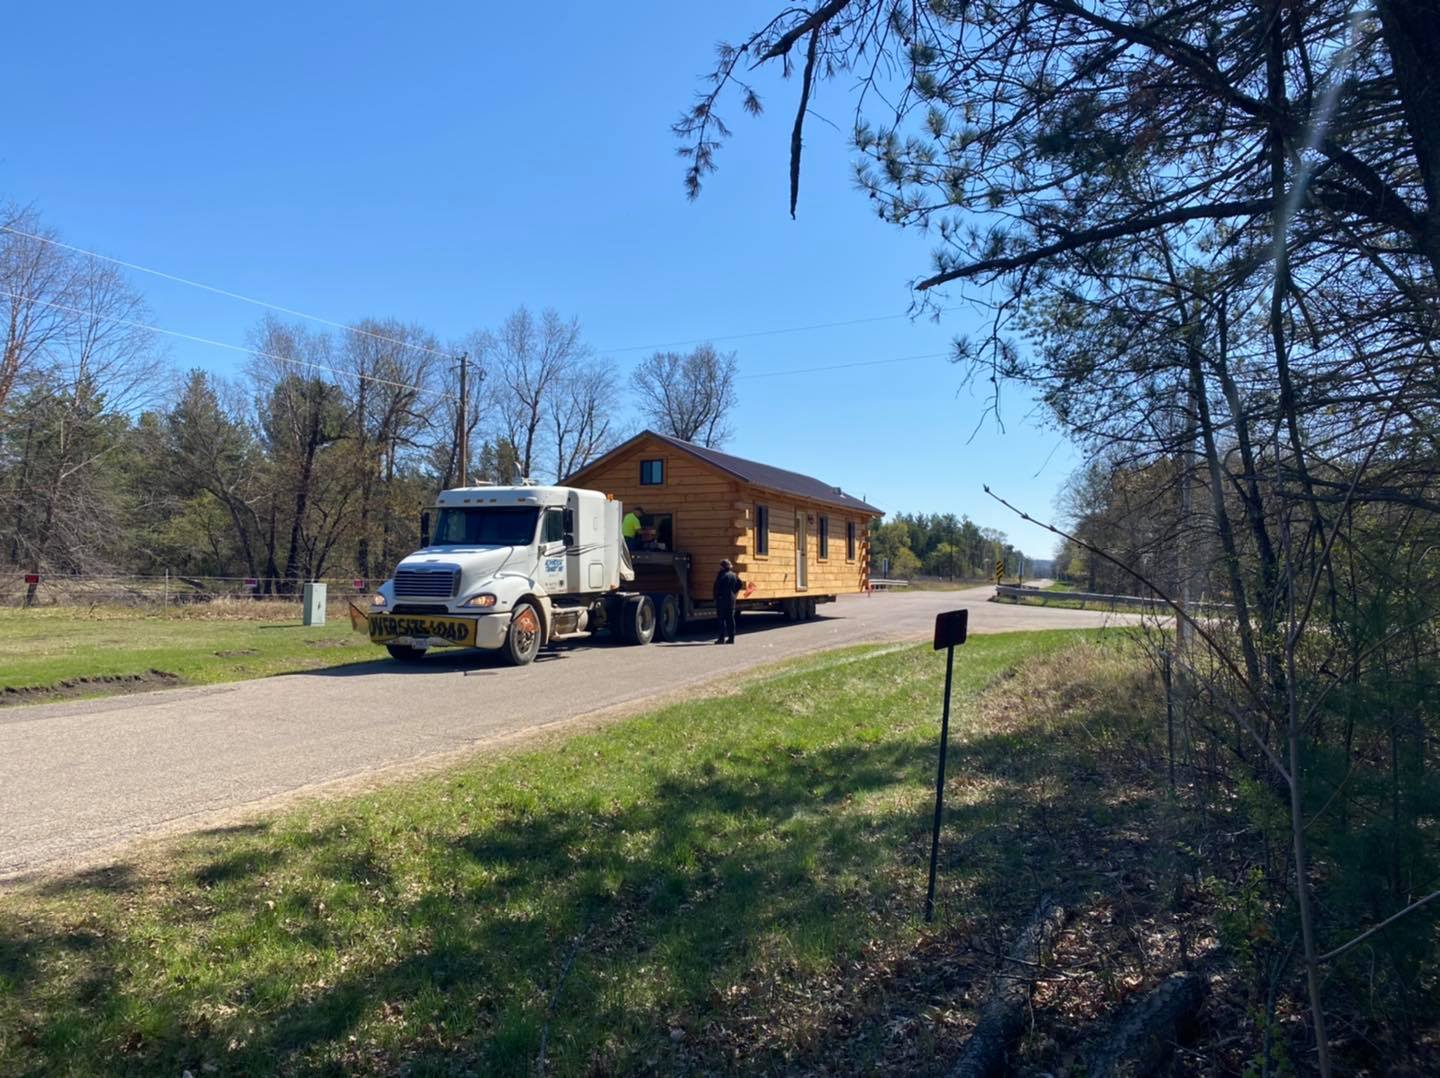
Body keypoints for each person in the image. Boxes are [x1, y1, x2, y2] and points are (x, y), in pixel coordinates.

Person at [713, 558, 743, 644]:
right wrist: (734, 591)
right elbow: (740, 584)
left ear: (722, 567)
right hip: (731, 600)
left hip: (722, 600)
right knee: (731, 620)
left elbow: (717, 587)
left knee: (721, 620)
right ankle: (731, 638)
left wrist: (716, 597)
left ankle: (721, 638)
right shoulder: (734, 575)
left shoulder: (721, 575)